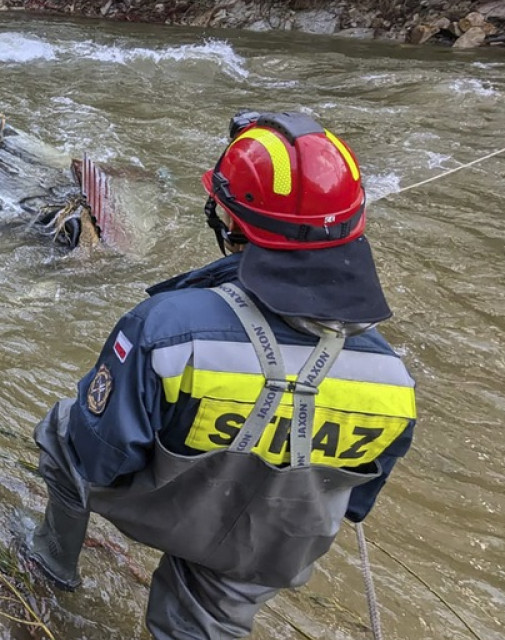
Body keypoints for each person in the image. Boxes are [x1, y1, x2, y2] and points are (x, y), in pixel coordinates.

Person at [26, 111, 417, 639]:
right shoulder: (394, 378)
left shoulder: (166, 327)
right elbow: (356, 503)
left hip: (168, 510)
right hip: (266, 547)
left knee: (61, 431)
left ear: (232, 221)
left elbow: (98, 454)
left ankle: (50, 565)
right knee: (207, 621)